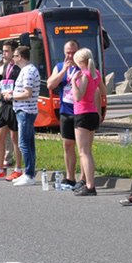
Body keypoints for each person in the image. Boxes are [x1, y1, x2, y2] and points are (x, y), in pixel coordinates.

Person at [46, 40, 82, 189]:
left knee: (82, 149)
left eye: (74, 52)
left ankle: (84, 179)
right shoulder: (60, 66)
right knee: (68, 145)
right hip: (66, 111)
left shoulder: (84, 66)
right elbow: (50, 85)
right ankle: (70, 177)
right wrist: (64, 71)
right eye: (68, 53)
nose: (71, 55)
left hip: (81, 112)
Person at [0, 41, 23, 181]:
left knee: (14, 138)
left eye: (7, 51)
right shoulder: (5, 67)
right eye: (3, 51)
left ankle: (18, 168)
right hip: (4, 104)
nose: (4, 54)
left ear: (13, 52)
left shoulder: (18, 68)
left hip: (14, 104)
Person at [4, 45, 41, 186]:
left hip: (25, 111)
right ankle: (28, 172)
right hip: (25, 110)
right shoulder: (26, 70)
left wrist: (11, 96)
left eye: (14, 56)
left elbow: (27, 93)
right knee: (28, 143)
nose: (13, 58)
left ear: (20, 57)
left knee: (24, 143)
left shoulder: (28, 71)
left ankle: (29, 174)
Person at [71, 47, 103, 196]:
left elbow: (78, 97)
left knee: (83, 153)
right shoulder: (96, 73)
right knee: (88, 152)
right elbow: (100, 91)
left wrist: (73, 81)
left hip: (82, 114)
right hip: (93, 113)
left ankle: (90, 185)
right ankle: (90, 182)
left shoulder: (84, 75)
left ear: (79, 61)